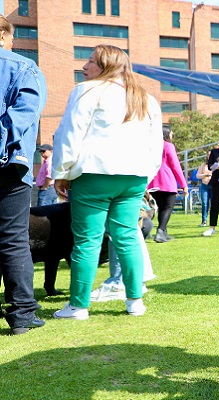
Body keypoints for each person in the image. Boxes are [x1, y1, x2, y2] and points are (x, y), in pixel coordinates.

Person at [52, 44, 163, 319]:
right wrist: (146, 176)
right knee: (127, 237)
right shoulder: (146, 98)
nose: (84, 66)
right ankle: (134, 300)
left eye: (90, 61)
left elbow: (69, 134)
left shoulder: (86, 91)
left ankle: (78, 305)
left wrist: (62, 172)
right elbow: (155, 145)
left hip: (95, 174)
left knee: (87, 241)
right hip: (134, 177)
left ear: (106, 66)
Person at [0, 15, 47, 335]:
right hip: (9, 167)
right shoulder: (23, 67)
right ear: (4, 35)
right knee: (13, 240)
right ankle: (22, 313)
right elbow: (22, 118)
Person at [147, 126, 189, 243]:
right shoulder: (168, 146)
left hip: (152, 182)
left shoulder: (150, 145)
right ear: (166, 134)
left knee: (159, 207)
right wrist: (183, 184)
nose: (172, 134)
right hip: (166, 181)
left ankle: (163, 232)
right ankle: (160, 231)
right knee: (167, 207)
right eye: (171, 133)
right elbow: (175, 166)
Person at [196, 162, 212, 227]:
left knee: (214, 204)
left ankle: (213, 221)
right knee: (205, 203)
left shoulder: (216, 164)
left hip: (213, 185)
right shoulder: (203, 164)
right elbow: (198, 175)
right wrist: (204, 175)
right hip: (204, 185)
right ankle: (204, 220)